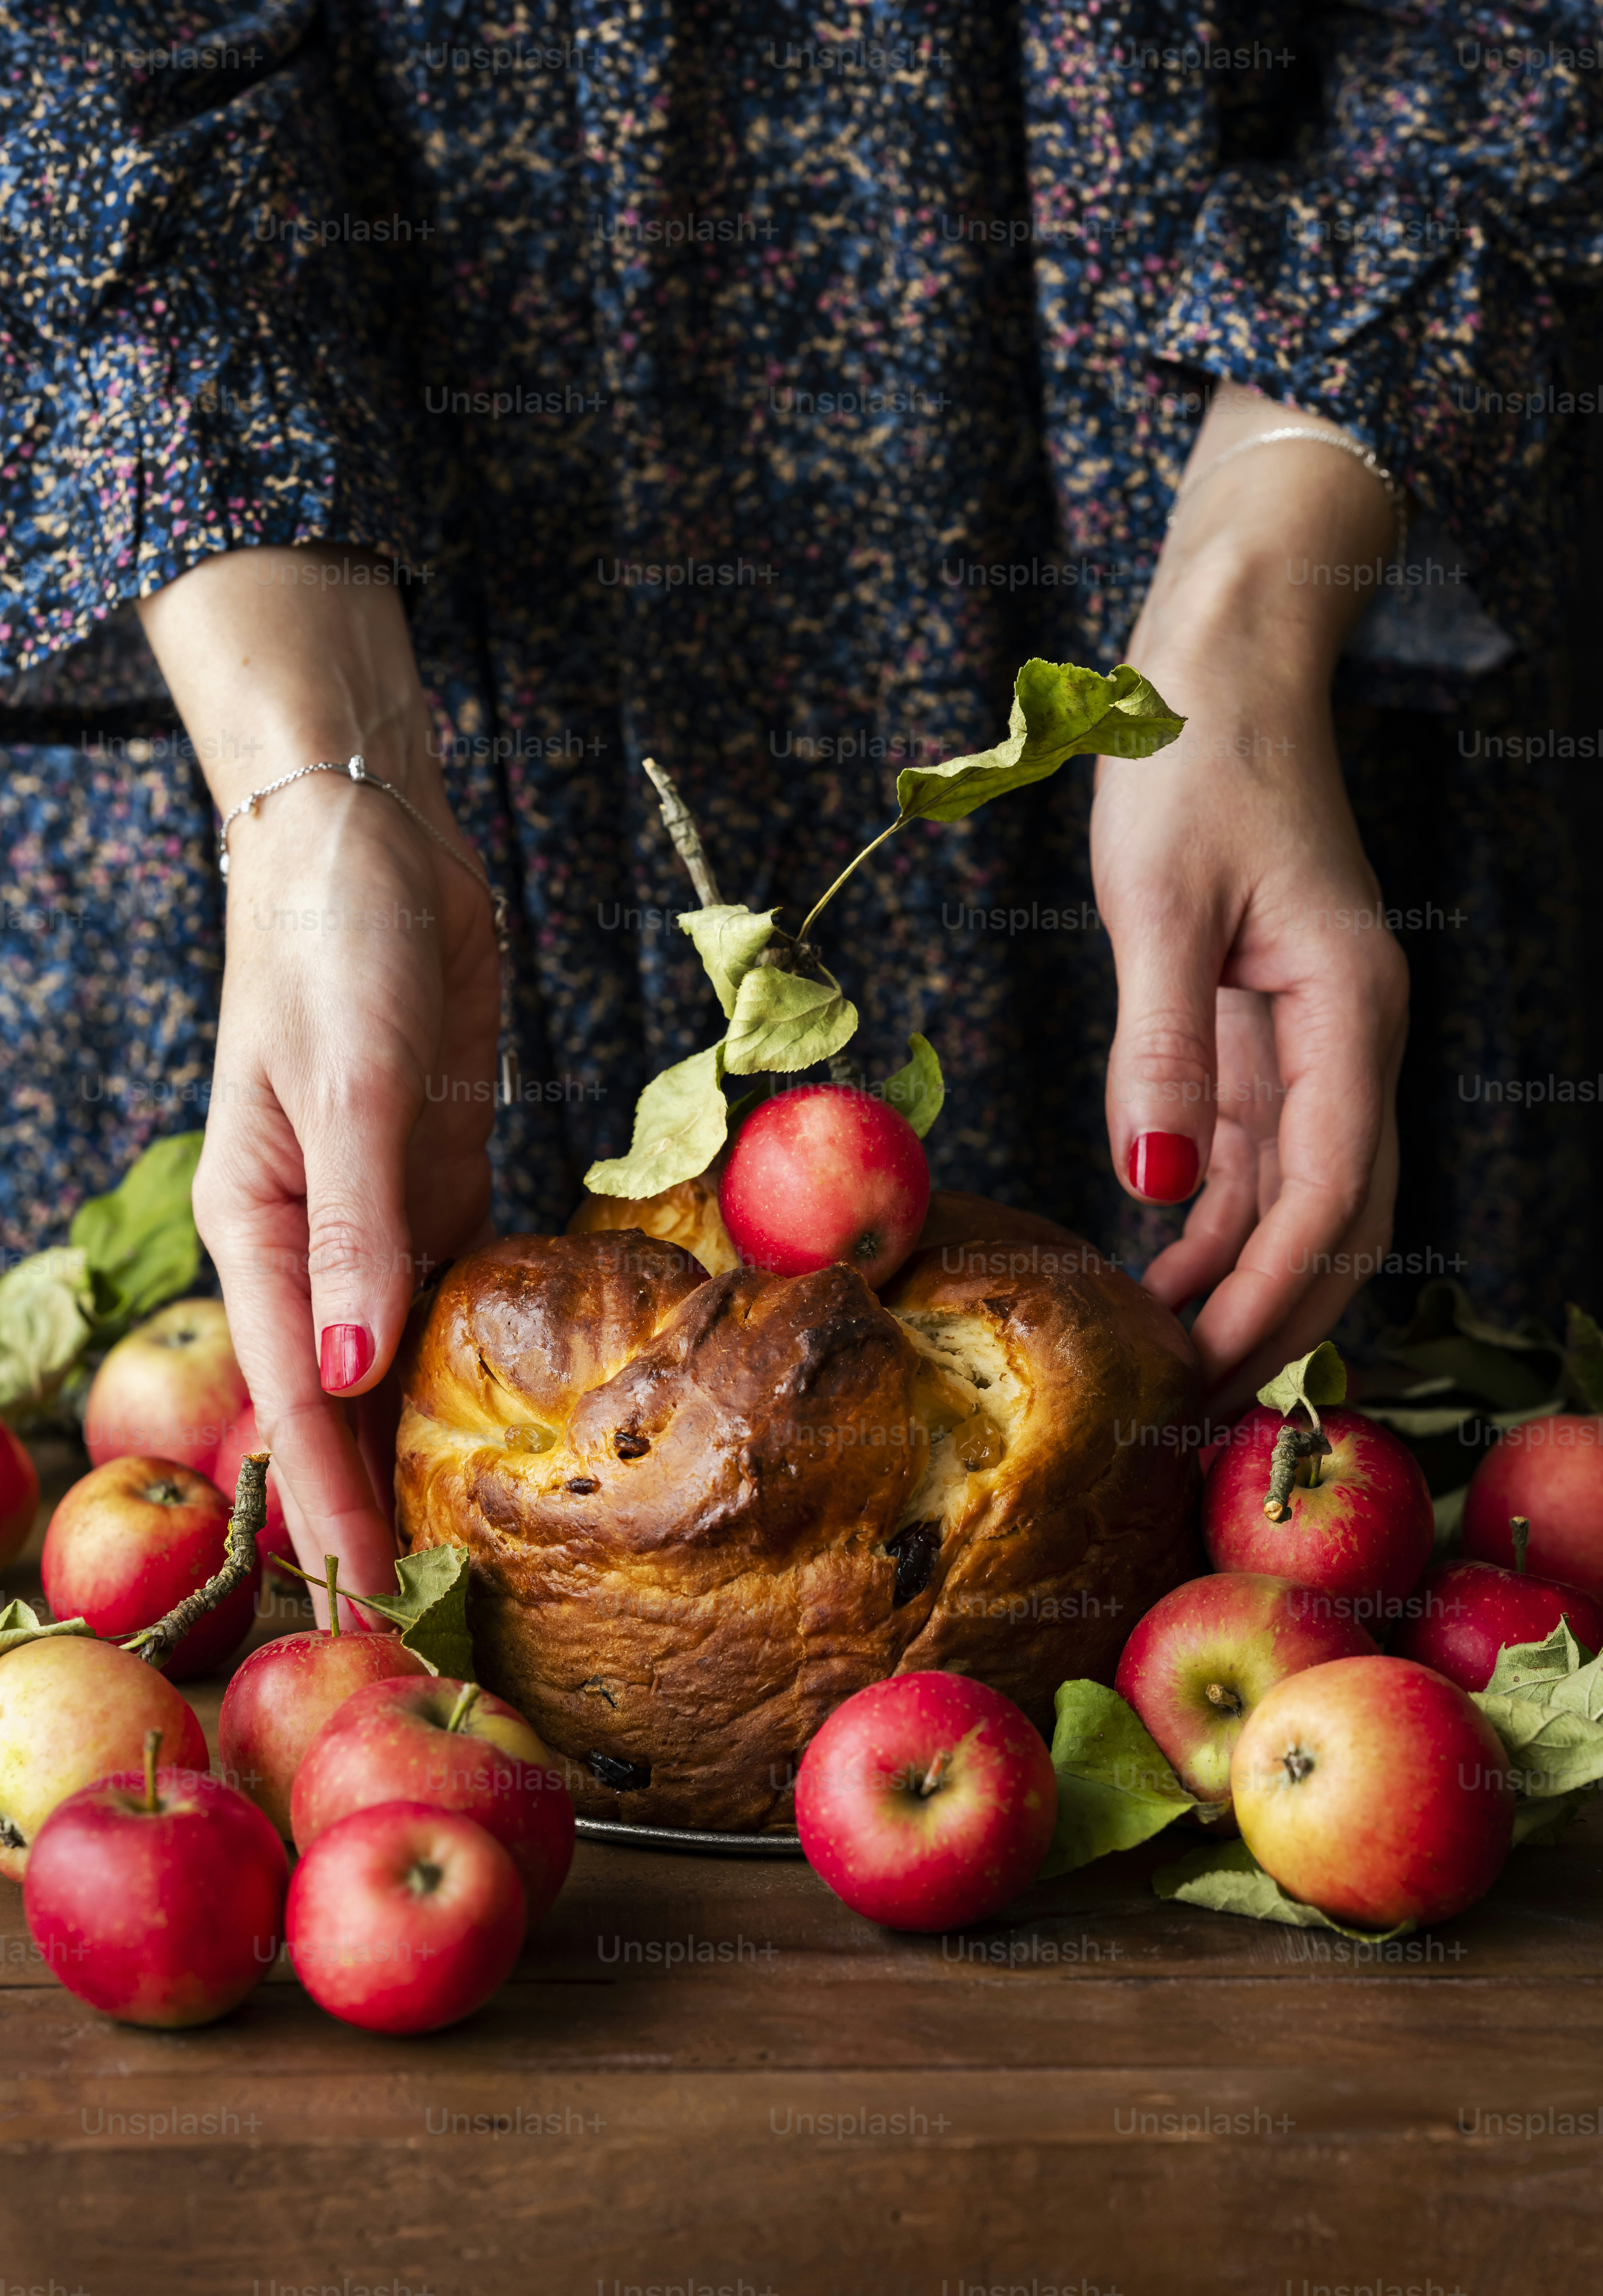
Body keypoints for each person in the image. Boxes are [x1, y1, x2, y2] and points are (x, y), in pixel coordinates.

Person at [1, 6, 1593, 1612]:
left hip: (1247, 661)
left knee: (1299, 1547)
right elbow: (75, 65)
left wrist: (1250, 622)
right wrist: (312, 783)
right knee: (321, 1567)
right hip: (289, 676)